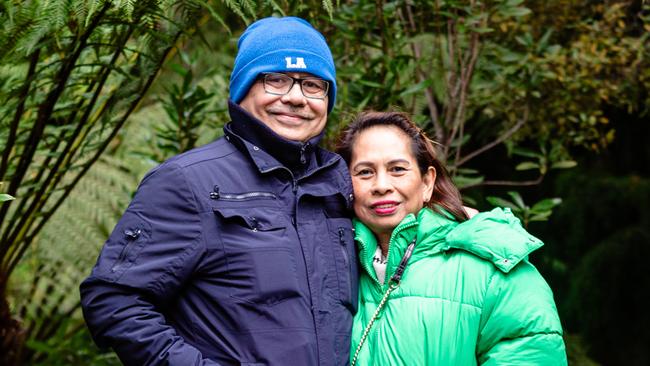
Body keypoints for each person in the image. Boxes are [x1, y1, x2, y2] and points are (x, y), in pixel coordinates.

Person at [80, 17, 358, 366]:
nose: (296, 97)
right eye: (276, 80)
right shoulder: (187, 182)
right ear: (243, 90)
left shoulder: (341, 184)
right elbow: (113, 299)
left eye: (313, 85)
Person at [335, 111, 567, 365]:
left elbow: (532, 353)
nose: (381, 185)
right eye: (365, 172)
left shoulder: (491, 265)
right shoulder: (333, 266)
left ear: (427, 182)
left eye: (398, 169)